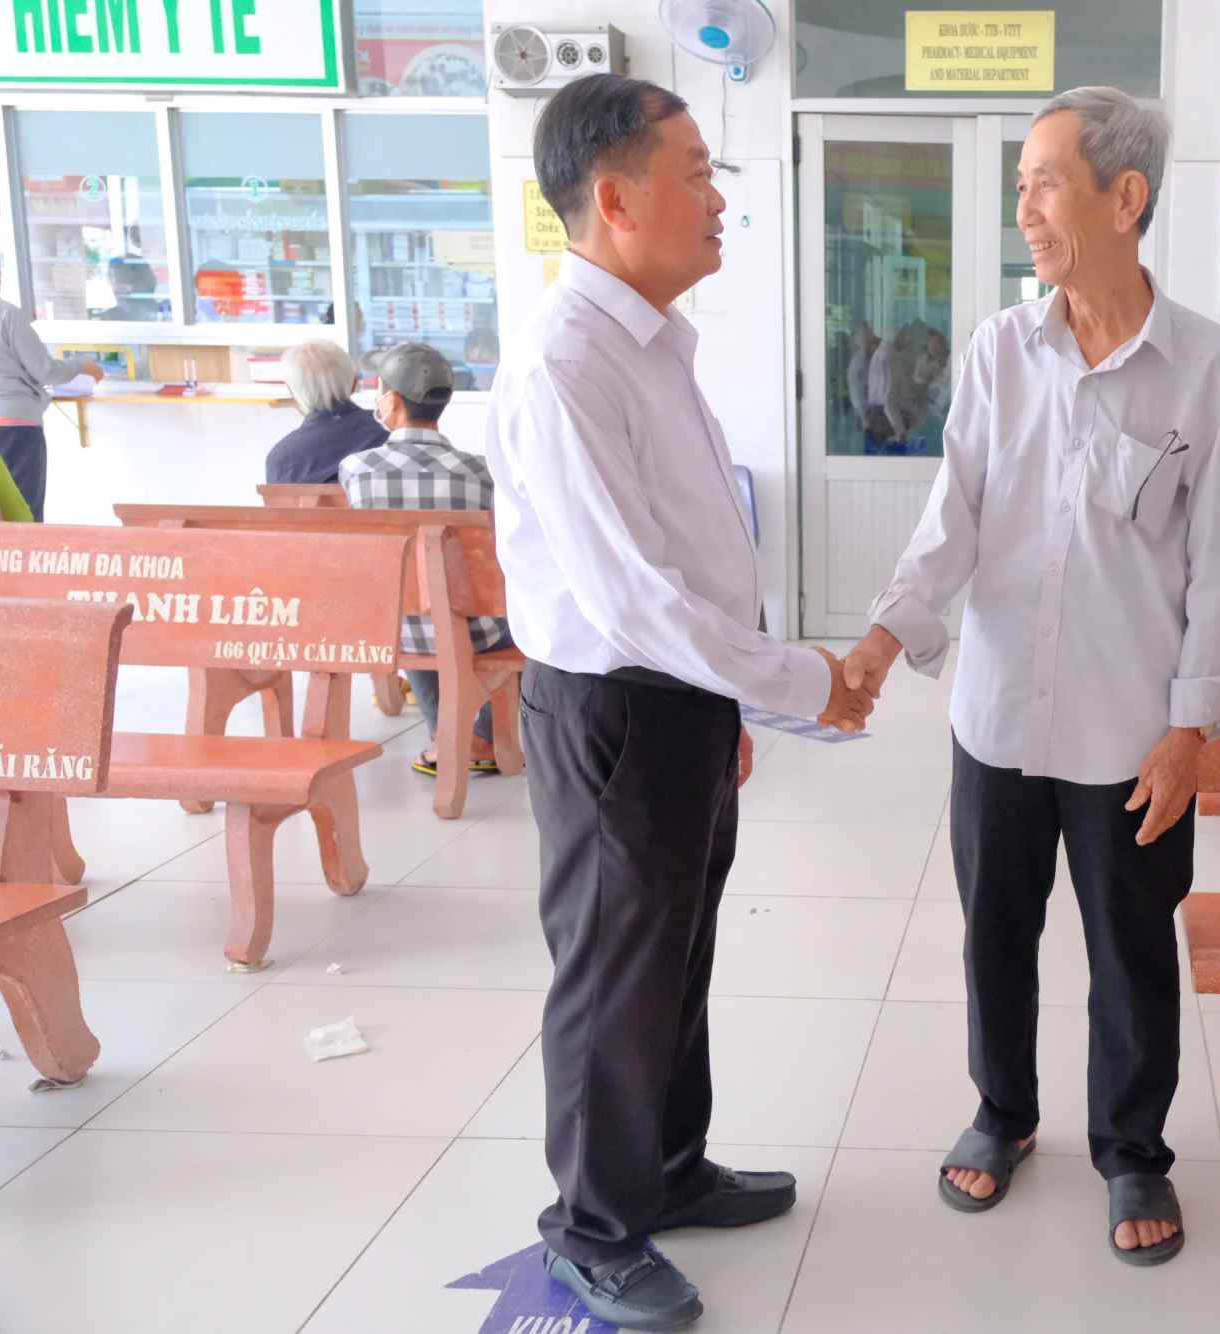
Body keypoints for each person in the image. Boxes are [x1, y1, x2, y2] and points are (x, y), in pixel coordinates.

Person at [486, 73, 872, 1331]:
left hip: (677, 706)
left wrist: (734, 709)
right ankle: (593, 1225)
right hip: (613, 708)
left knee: (676, 952)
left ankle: (666, 1166)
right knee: (612, 971)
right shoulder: (565, 364)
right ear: (614, 197)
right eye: (697, 170)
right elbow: (633, 595)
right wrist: (802, 685)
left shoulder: (647, 343)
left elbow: (692, 555)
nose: (718, 199)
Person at [843, 86, 1220, 1268]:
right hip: (998, 710)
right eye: (1019, 183)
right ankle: (1003, 1109)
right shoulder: (996, 349)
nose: (1022, 206)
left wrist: (1191, 725)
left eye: (1042, 181)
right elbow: (952, 515)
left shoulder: (1207, 368)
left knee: (1129, 942)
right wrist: (883, 638)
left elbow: (1215, 568)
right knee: (994, 929)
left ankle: (1132, 1146)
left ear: (1123, 199)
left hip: (1132, 725)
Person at [336, 342, 511, 778]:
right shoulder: (479, 472)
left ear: (391, 400)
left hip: (393, 628)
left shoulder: (356, 468)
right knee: (487, 615)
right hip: (475, 631)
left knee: (417, 610)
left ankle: (443, 739)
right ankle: (482, 739)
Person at [0, 271, 104, 521]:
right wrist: (82, 365)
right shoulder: (7, 315)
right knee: (23, 514)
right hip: (16, 426)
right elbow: (45, 371)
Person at [265, 340, 390, 485]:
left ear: (292, 391)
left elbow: (279, 507)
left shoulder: (280, 459)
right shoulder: (390, 430)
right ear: (354, 383)